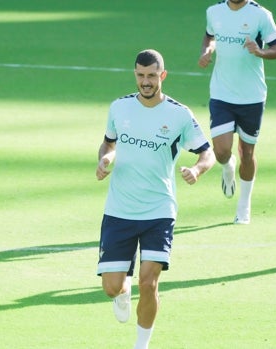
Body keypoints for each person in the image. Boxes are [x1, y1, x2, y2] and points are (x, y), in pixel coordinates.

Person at [96, 49, 215, 349]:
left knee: (148, 284)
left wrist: (198, 170)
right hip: (119, 209)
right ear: (135, 74)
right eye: (140, 75)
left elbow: (207, 151)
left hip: (158, 210)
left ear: (162, 75)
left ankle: (141, 345)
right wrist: (105, 160)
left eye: (151, 76)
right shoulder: (119, 108)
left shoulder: (178, 114)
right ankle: (122, 291)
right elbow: (108, 143)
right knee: (111, 287)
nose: (145, 81)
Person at [198, 0, 276, 224]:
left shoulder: (261, 15)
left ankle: (244, 206)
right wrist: (207, 50)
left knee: (247, 153)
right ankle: (227, 166)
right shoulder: (214, 11)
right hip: (221, 93)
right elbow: (210, 35)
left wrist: (260, 51)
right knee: (221, 151)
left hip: (252, 97)